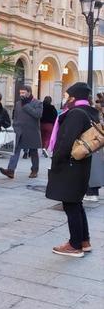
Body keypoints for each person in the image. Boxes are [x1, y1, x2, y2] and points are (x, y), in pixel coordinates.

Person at [46, 83, 97, 257]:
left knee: (70, 204)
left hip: (70, 165)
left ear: (74, 97)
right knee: (76, 202)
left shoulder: (75, 114)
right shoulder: (89, 112)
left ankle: (74, 244)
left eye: (67, 95)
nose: (65, 98)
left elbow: (66, 141)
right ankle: (84, 240)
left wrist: (56, 161)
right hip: (81, 164)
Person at [0, 86, 42, 179]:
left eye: (23, 93)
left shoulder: (37, 103)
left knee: (33, 151)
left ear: (29, 92)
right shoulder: (18, 103)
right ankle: (11, 170)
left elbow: (38, 114)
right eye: (20, 93)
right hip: (19, 131)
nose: (21, 94)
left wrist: (26, 105)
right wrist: (15, 126)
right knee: (15, 150)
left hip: (32, 131)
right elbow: (15, 116)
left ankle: (34, 170)